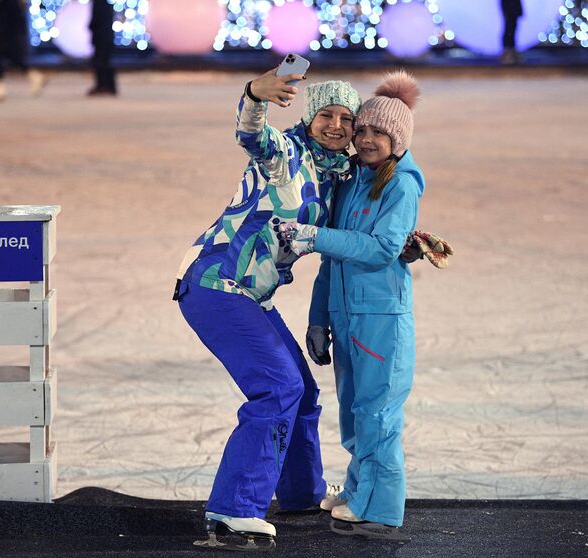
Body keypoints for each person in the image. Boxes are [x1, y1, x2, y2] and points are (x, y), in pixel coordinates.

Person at [174, 69, 361, 550]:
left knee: (303, 392)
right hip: (217, 284)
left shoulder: (336, 175)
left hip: (253, 296)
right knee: (278, 386)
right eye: (326, 115)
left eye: (345, 118)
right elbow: (251, 133)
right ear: (309, 117)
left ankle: (302, 492)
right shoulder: (286, 155)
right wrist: (254, 94)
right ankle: (234, 511)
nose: (335, 125)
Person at [281, 70, 424, 541]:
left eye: (377, 132)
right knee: (354, 411)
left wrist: (316, 234)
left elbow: (383, 247)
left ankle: (379, 507)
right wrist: (318, 318)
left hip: (381, 316)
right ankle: (360, 489)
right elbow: (331, 259)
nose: (364, 138)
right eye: (361, 129)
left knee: (378, 413)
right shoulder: (354, 181)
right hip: (346, 314)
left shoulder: (400, 184)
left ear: (397, 140)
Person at [0, 0, 46, 102]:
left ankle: (34, 76)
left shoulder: (11, 2)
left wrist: (17, 37)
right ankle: (1, 87)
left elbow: (18, 19)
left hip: (8, 38)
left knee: (13, 61)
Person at [87, 0, 117, 96]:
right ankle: (109, 86)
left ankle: (103, 86)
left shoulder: (98, 3)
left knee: (100, 63)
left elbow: (96, 21)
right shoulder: (106, 4)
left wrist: (90, 26)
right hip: (107, 38)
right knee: (105, 62)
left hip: (101, 38)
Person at [500, 0, 523, 65]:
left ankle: (512, 54)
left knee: (512, 31)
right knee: (509, 30)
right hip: (509, 10)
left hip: (514, 10)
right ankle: (507, 55)